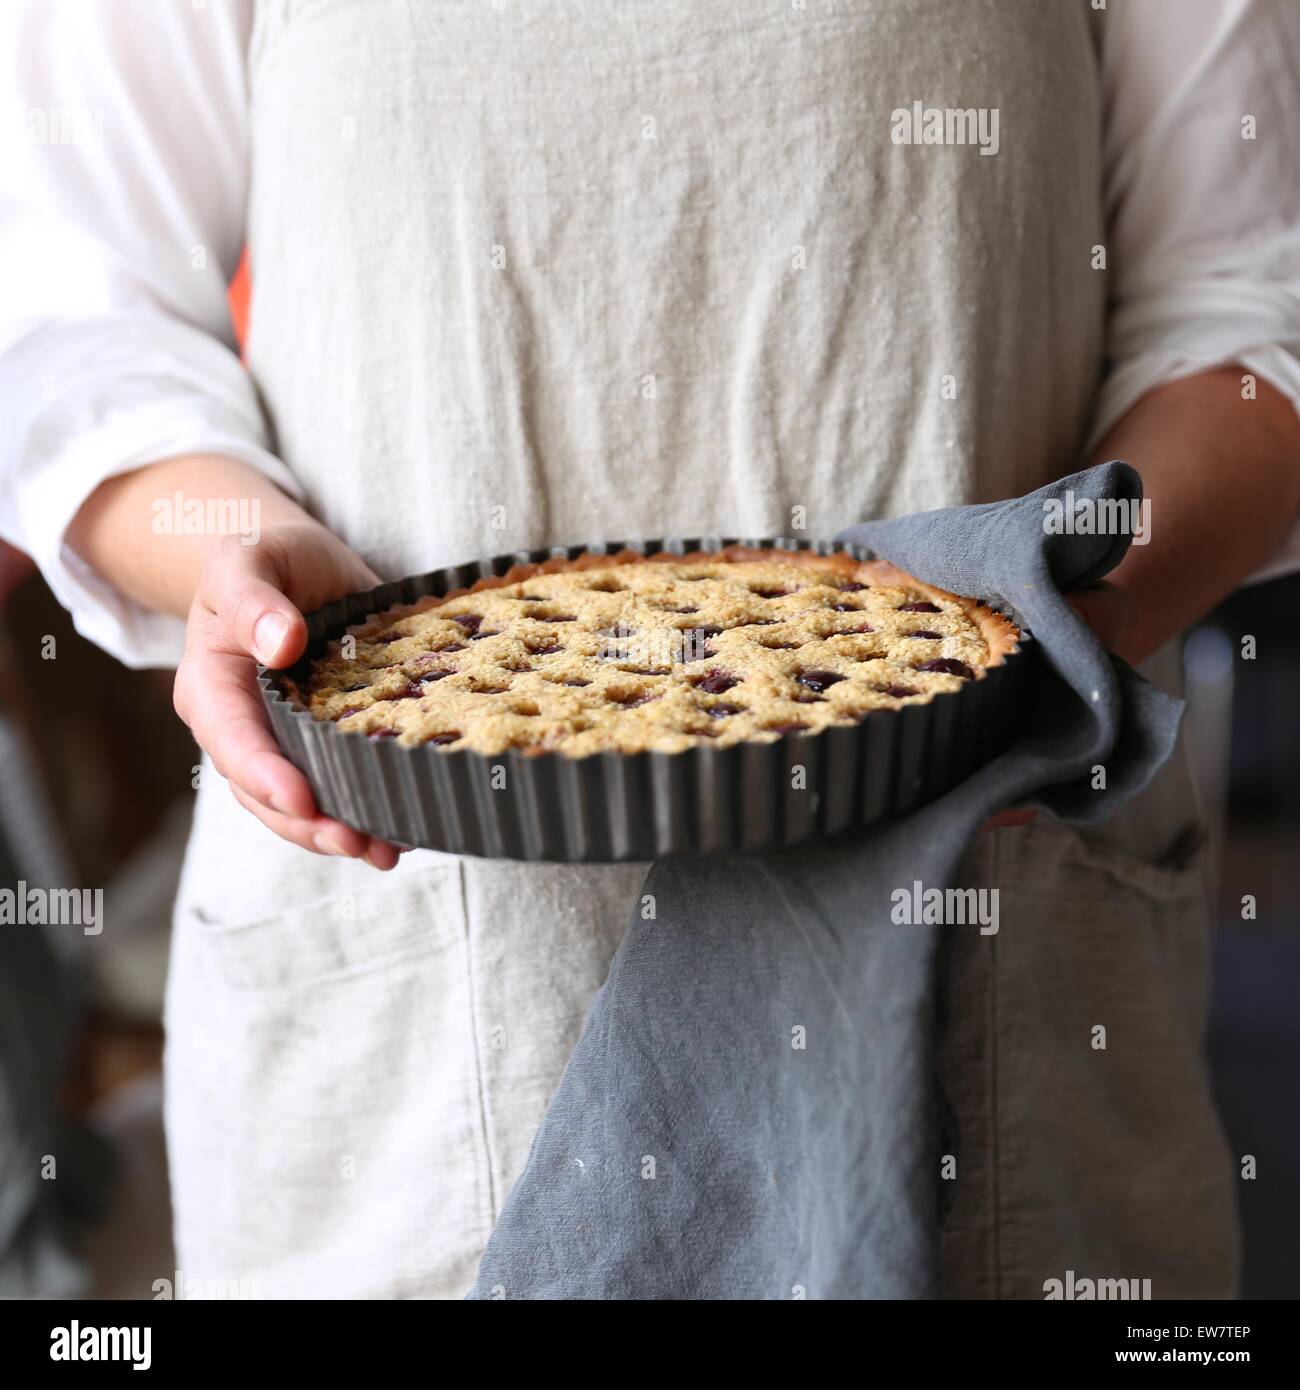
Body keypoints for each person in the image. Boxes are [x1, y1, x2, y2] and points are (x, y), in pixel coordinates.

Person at [2, 0, 1298, 1299]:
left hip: (979, 924)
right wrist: (230, 548)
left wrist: (1066, 629)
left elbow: (1248, 325)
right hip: (413, 991)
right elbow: (69, 315)